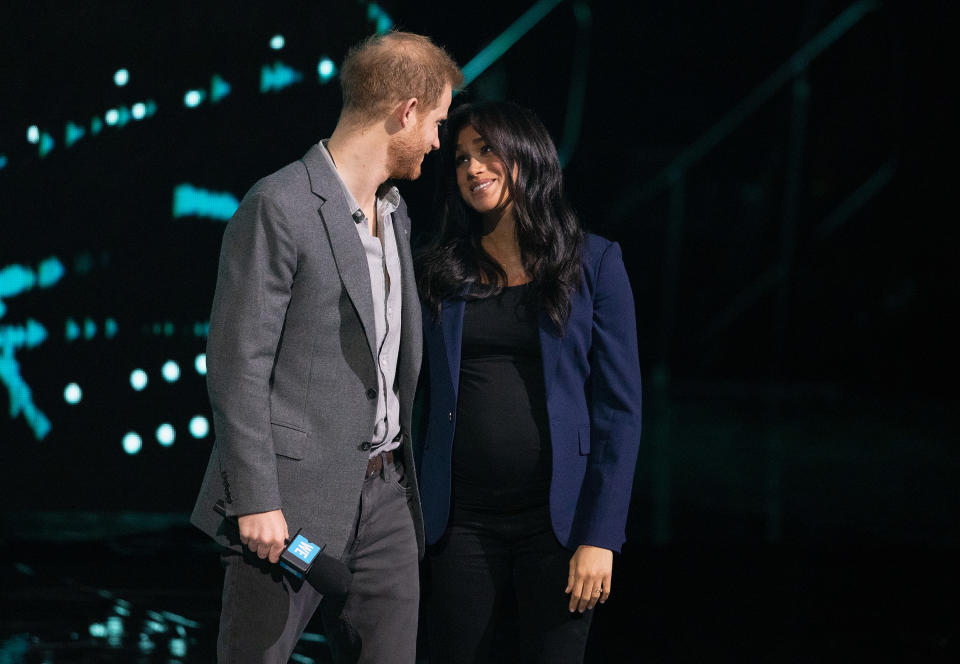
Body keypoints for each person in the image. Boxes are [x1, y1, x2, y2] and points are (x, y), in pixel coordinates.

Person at [190, 31, 462, 663]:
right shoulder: (280, 205)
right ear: (407, 111)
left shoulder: (394, 212)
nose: (437, 142)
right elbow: (238, 363)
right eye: (438, 122)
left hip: (388, 492)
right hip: (289, 503)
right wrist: (257, 497)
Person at [414, 101, 643, 663]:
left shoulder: (594, 262)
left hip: (560, 526)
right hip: (460, 521)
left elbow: (620, 411)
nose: (472, 168)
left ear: (527, 155)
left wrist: (601, 536)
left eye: (487, 150)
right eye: (462, 158)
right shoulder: (440, 270)